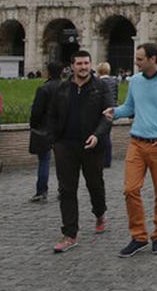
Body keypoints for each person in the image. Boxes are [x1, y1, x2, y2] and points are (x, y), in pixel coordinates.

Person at [104, 43, 157, 258]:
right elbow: (130, 107)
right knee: (130, 189)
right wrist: (114, 112)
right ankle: (138, 236)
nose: (136, 62)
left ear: (153, 59)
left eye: (140, 59)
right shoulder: (136, 81)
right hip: (137, 142)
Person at [47, 51, 113, 254]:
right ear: (72, 66)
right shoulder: (62, 88)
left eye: (86, 63)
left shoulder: (101, 87)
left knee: (95, 184)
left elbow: (108, 115)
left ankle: (100, 212)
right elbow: (51, 115)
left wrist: (98, 135)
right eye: (79, 63)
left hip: (91, 145)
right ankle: (70, 234)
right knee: (66, 190)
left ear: (91, 64)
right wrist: (53, 140)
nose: (83, 67)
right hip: (66, 145)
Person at [27, 62, 63, 203]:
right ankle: (63, 190)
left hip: (45, 129)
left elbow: (36, 111)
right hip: (62, 128)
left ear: (48, 72)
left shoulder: (43, 88)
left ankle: (41, 192)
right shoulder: (67, 87)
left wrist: (33, 125)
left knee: (44, 161)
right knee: (62, 162)